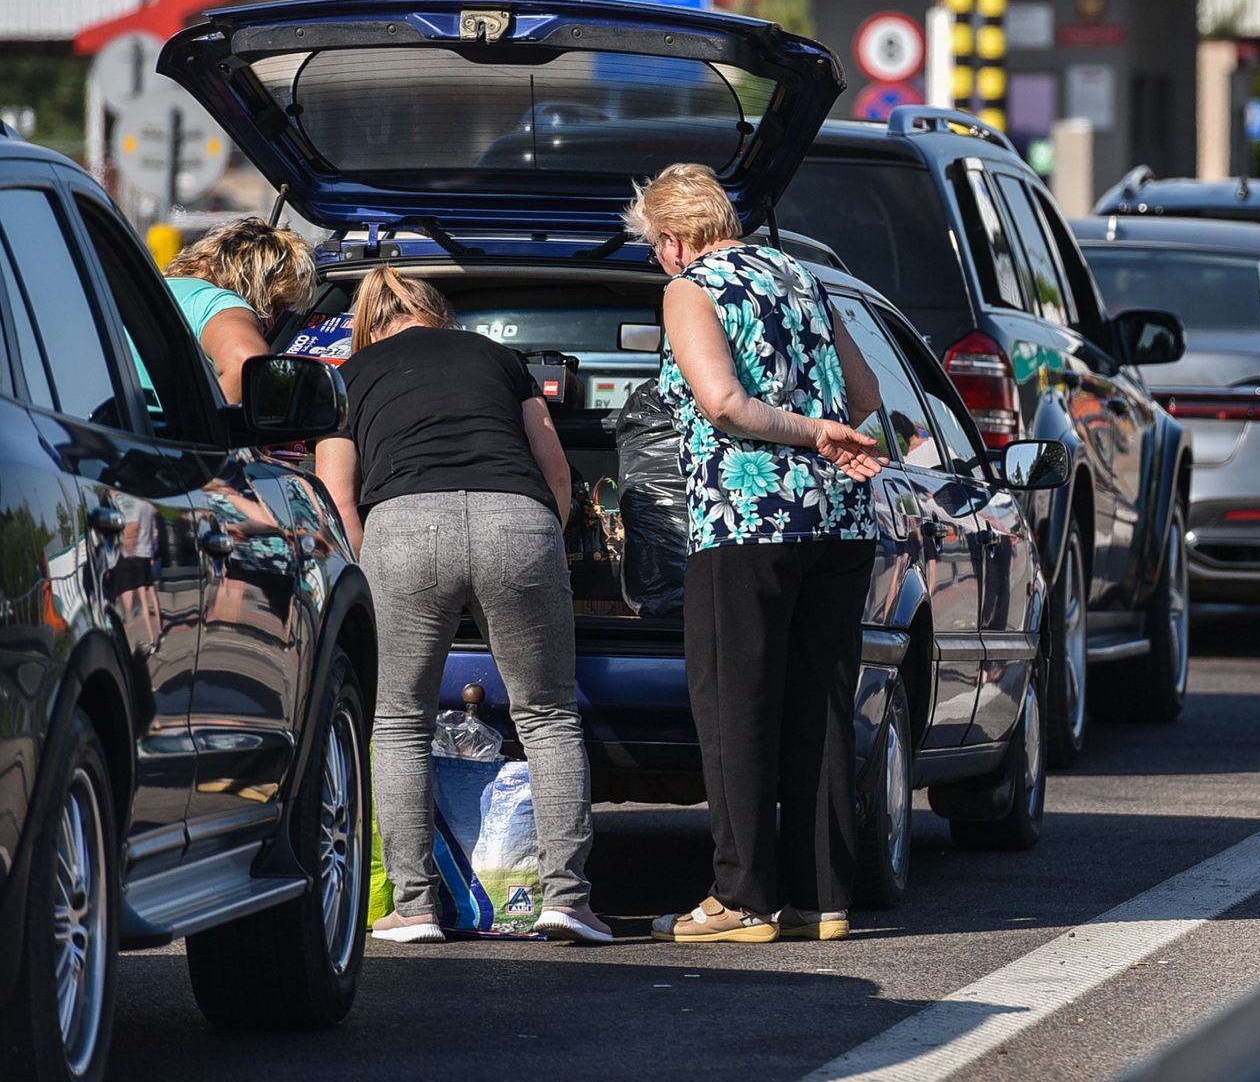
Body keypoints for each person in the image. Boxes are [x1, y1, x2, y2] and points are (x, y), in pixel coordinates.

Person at [621, 163, 886, 944]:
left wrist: (805, 432)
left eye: (653, 246)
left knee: (736, 708)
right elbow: (864, 393)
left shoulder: (690, 288)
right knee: (820, 708)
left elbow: (721, 402)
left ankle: (742, 899)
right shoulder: (801, 276)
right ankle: (822, 899)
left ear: (671, 240)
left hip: (745, 521)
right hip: (837, 518)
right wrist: (824, 427)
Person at [315, 268, 611, 946]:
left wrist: (369, 574)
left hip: (404, 527)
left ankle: (415, 907)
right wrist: (541, 543)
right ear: (437, 316)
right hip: (517, 519)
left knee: (396, 722)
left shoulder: (349, 373)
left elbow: (337, 494)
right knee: (548, 713)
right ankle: (567, 901)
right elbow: (556, 469)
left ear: (369, 323)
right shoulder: (495, 357)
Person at [161, 216, 318, 402]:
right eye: (276, 306)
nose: (273, 321)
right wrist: (208, 428)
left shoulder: (156, 289)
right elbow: (247, 364)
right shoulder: (219, 303)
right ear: (258, 285)